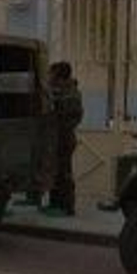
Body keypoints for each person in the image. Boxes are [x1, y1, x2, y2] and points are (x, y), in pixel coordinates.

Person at [47, 61, 84, 215]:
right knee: (55, 172)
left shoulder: (70, 92)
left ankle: (67, 206)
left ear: (59, 75)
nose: (49, 76)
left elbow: (74, 115)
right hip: (57, 137)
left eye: (52, 73)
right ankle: (55, 204)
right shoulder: (59, 90)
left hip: (64, 138)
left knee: (64, 173)